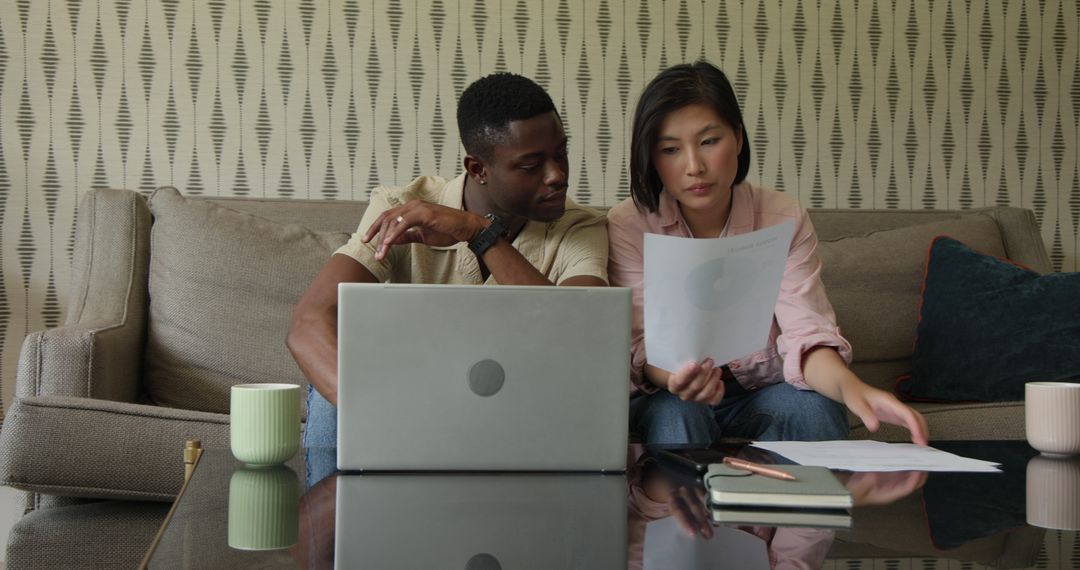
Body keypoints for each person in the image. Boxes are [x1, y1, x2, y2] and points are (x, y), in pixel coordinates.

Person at [287, 73, 609, 465]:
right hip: (405, 407)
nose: (557, 175)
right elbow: (309, 323)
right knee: (335, 383)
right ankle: (334, 515)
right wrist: (395, 420)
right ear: (478, 170)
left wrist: (480, 233)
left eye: (561, 153)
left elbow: (580, 338)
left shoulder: (581, 226)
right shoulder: (402, 206)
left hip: (522, 411)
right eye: (531, 165)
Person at [607, 61, 929, 446]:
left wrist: (851, 388)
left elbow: (805, 332)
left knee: (816, 410)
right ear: (653, 158)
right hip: (670, 394)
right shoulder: (629, 225)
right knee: (678, 416)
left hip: (762, 392)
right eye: (671, 149)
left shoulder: (782, 217)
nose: (694, 166)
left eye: (710, 141)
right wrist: (675, 378)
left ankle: (791, 506)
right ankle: (679, 507)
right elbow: (640, 347)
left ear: (738, 139)